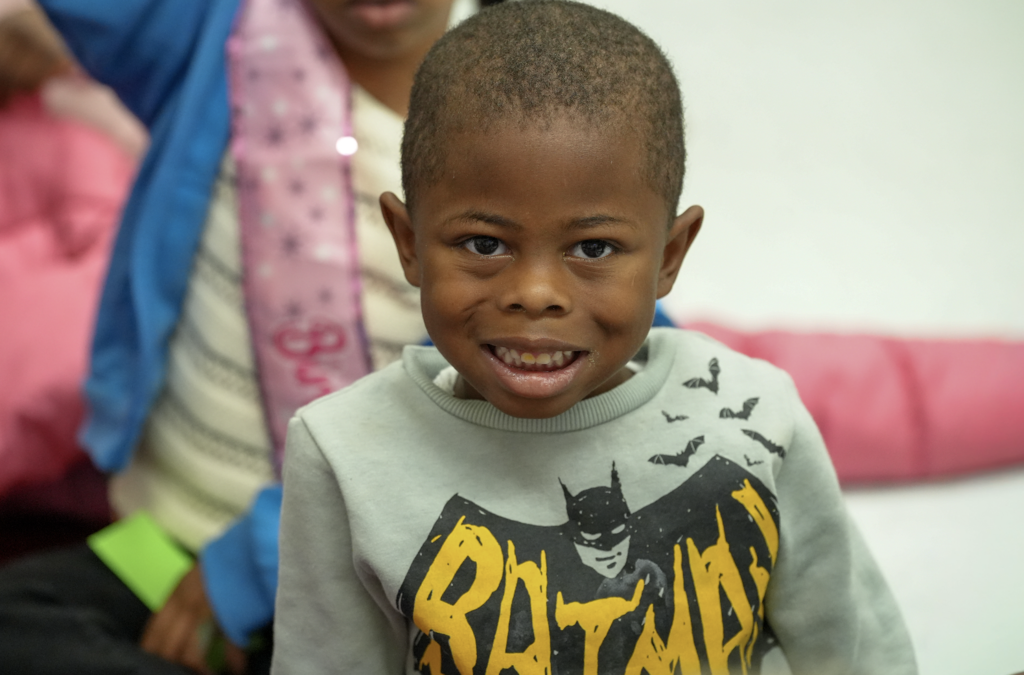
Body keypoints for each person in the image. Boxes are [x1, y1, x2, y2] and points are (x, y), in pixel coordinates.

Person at [270, 2, 917, 673]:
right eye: (484, 244)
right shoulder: (344, 452)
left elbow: (856, 652)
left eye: (594, 248)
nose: (536, 293)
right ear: (409, 243)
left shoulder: (752, 417)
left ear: (669, 255)